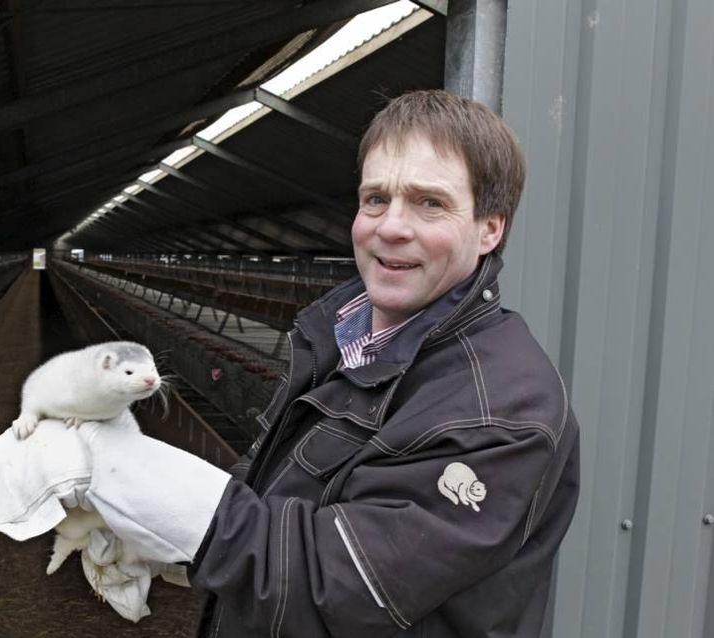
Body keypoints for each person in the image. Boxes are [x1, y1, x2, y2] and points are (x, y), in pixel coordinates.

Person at [63, 90, 580, 637]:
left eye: (430, 203)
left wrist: (148, 493)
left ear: (489, 229)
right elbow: (277, 490)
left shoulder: (500, 407)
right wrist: (156, 536)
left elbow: (339, 585)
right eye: (376, 198)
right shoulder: (345, 341)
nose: (391, 226)